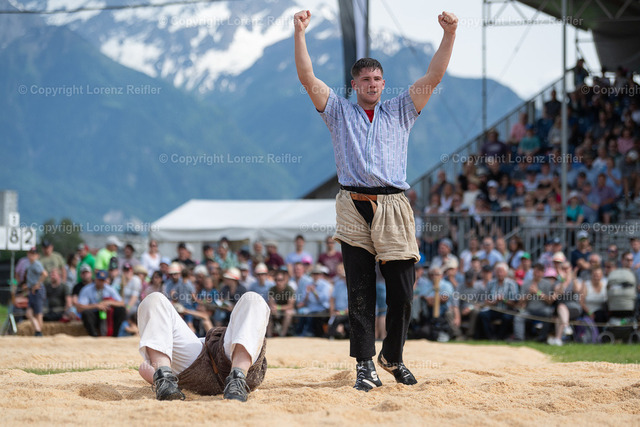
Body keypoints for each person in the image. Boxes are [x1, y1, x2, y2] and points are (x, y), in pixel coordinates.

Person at [295, 7, 457, 390]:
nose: (372, 83)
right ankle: (364, 364)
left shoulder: (401, 109)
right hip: (352, 204)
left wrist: (449, 34)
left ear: (385, 84)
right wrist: (299, 32)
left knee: (403, 289)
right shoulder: (338, 112)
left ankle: (392, 356)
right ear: (354, 85)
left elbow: (434, 76)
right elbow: (307, 77)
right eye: (365, 79)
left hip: (394, 204)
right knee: (360, 289)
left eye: (377, 79)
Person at [137, 290, 270, 401]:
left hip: (209, 364)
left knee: (253, 298)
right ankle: (164, 378)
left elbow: (143, 368)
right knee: (154, 299)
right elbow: (143, 368)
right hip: (198, 367)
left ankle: (237, 377)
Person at [76, 270, 126, 337]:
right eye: (99, 280)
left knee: (121, 310)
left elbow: (122, 303)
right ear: (95, 279)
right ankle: (94, 336)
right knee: (86, 313)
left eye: (103, 280)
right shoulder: (87, 289)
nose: (101, 282)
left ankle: (115, 335)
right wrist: (96, 306)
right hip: (94, 315)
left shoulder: (109, 289)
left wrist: (108, 302)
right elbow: (79, 308)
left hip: (107, 315)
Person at [25, 246, 48, 336]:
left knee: (38, 313)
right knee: (30, 312)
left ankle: (38, 332)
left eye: (34, 254)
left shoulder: (36, 264)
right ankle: (38, 330)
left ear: (37, 255)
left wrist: (37, 284)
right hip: (33, 290)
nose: (32, 255)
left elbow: (44, 274)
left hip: (38, 290)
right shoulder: (31, 265)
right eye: (30, 253)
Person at [267, 269, 296, 337]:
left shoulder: (289, 289)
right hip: (277, 310)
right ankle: (269, 336)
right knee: (268, 314)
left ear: (284, 280)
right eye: (276, 280)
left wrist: (278, 307)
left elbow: (291, 306)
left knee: (288, 313)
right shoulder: (272, 289)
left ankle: (282, 335)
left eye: (280, 280)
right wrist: (274, 308)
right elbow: (271, 303)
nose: (278, 282)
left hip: (286, 310)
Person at [328, 263, 349, 339]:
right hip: (337, 312)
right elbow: (332, 299)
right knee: (335, 320)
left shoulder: (354, 287)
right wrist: (332, 311)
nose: (345, 278)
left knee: (337, 319)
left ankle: (331, 335)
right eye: (344, 277)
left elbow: (353, 307)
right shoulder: (338, 284)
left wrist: (341, 313)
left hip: (347, 314)